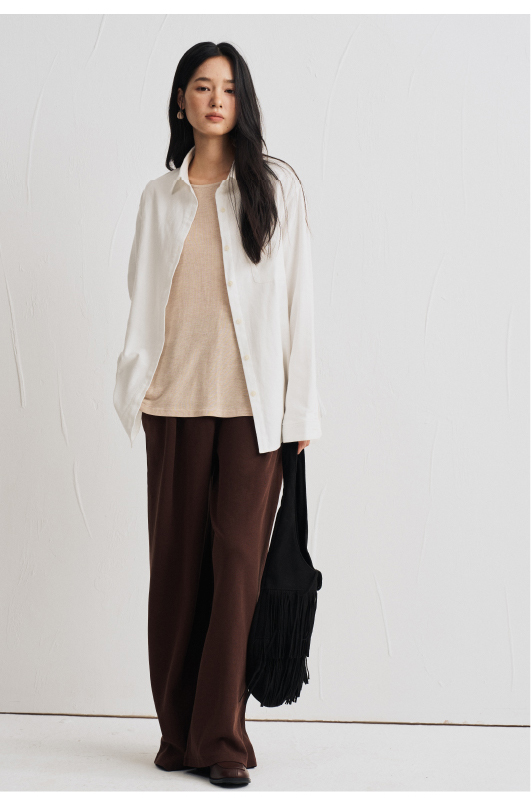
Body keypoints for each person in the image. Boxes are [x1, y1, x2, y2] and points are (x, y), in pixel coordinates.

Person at [113, 40, 322, 787]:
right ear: (181, 100)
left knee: (236, 571)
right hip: (171, 404)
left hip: (253, 413)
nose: (215, 100)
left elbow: (299, 302)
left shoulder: (275, 188)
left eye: (228, 89)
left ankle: (222, 740)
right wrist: (133, 383)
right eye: (201, 87)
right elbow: (142, 298)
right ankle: (178, 737)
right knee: (176, 574)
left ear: (243, 102)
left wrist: (301, 411)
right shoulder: (158, 198)